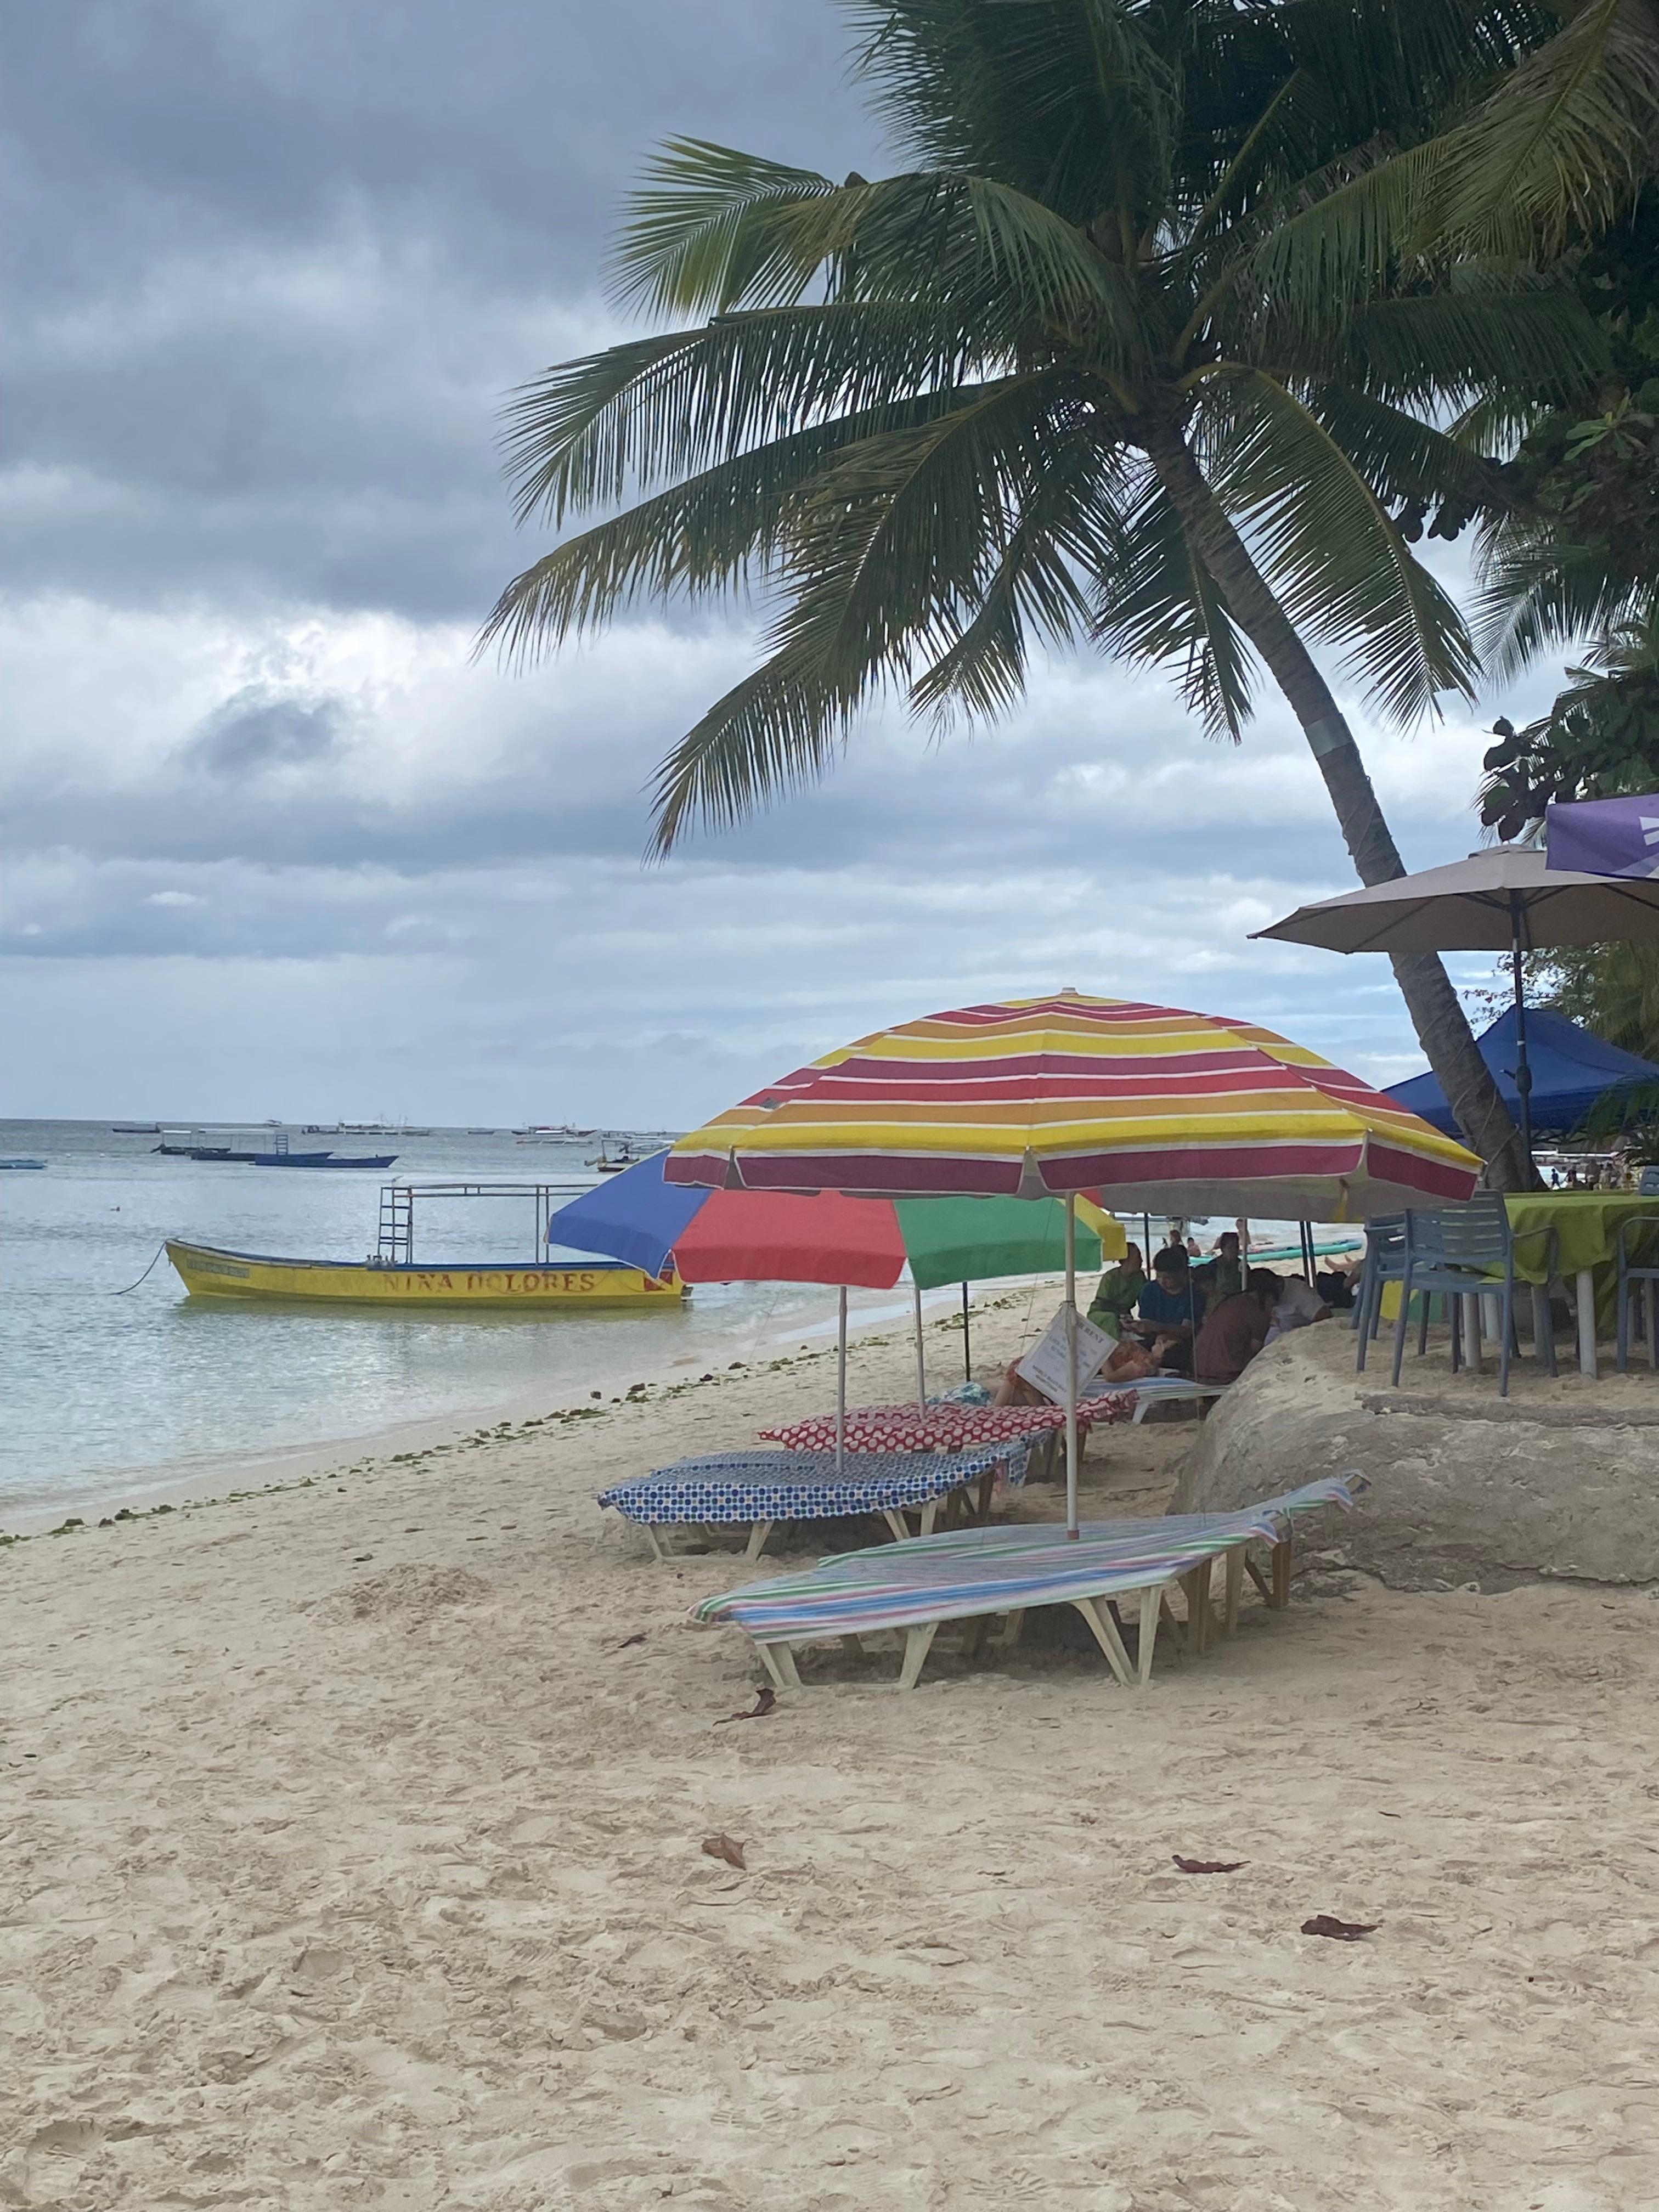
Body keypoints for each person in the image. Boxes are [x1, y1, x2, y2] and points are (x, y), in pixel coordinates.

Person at [1194, 1268, 1280, 1385]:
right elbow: (1256, 1353)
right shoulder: (1259, 1312)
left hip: (1198, 1367)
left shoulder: (1231, 1301)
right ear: (1269, 1296)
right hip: (1225, 1374)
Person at [1126, 1247, 1204, 1374]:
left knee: (1171, 1355)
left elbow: (1186, 1331)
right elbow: (1146, 1325)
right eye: (1159, 1276)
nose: (1162, 1281)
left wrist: (1157, 1328)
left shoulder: (1194, 1294)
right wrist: (1134, 1326)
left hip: (1184, 1344)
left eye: (1168, 1277)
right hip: (1154, 1340)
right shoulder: (1149, 1291)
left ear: (1182, 1273)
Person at [1087, 1243, 1146, 1334]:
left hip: (1124, 1316)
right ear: (1127, 1260)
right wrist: (1120, 1318)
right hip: (1103, 1314)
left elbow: (1145, 1299)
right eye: (1138, 1257)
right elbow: (1103, 1303)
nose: (1142, 1261)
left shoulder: (1140, 1277)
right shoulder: (1111, 1277)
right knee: (1112, 1320)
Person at [1265, 1272, 1331, 1343]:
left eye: (1267, 1297)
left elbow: (1326, 1321)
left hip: (1301, 1340)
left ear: (1279, 1284)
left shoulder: (1301, 1292)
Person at [1207, 1230, 1244, 1301]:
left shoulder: (1243, 1266)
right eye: (1231, 1247)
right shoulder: (1214, 1266)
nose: (1234, 1250)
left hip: (1239, 1301)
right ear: (1223, 1249)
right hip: (1219, 1302)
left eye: (1236, 1247)